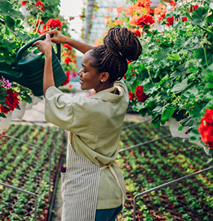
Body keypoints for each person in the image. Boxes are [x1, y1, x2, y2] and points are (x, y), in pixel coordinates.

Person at [32, 27, 142, 221]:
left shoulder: (90, 108)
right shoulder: (119, 93)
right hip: (112, 194)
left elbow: (52, 97)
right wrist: (67, 40)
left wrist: (48, 56)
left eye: (85, 70)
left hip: (91, 197)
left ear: (103, 76)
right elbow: (107, 60)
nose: (80, 72)